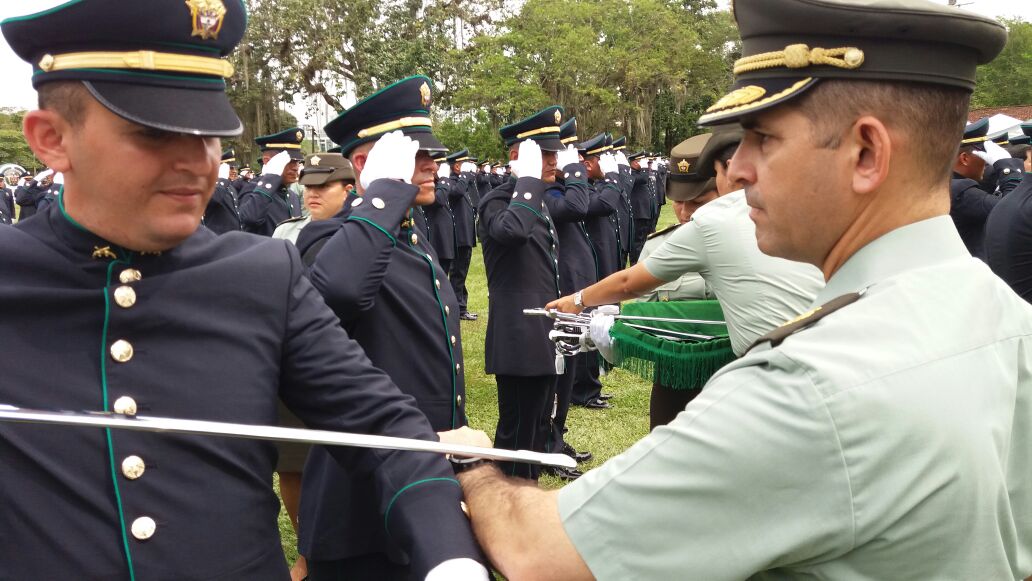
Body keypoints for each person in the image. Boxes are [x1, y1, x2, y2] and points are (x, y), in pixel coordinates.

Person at [450, 0, 1032, 579]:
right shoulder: (1008, 318)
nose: (740, 168)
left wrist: (475, 465)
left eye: (763, 137)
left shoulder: (810, 390)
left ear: (866, 153)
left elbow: (538, 551)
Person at [0, 2, 487, 579]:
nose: (196, 162)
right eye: (155, 133)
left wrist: (450, 559)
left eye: (211, 134)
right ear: (51, 139)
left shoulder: (260, 273)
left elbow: (382, 425)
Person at [291, 76, 487, 580]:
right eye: (415, 156)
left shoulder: (408, 236)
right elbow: (339, 291)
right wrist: (381, 196)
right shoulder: (329, 238)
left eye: (432, 155)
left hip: (424, 480)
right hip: (357, 499)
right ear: (365, 164)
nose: (432, 165)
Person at [550, 124, 824, 357]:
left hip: (777, 364)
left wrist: (577, 300)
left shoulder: (715, 219)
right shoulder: (791, 206)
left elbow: (628, 283)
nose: (686, 211)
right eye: (679, 202)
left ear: (729, 170)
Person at [479, 106, 564, 480]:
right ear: (518, 157)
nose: (554, 162)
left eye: (553, 154)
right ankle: (505, 506)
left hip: (541, 333)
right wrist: (527, 180)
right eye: (544, 155)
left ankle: (525, 498)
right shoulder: (498, 201)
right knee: (515, 435)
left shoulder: (535, 200)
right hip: (518, 338)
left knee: (535, 428)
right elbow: (512, 231)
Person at [635, 132, 719, 429]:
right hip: (675, 380)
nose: (684, 212)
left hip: (736, 378)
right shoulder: (658, 247)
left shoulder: (756, 244)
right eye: (678, 202)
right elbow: (640, 315)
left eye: (697, 201)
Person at [542, 117, 596, 479]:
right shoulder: (544, 193)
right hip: (559, 295)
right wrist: (575, 170)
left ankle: (557, 437)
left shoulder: (560, 188)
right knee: (555, 372)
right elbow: (578, 207)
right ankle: (547, 444)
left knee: (568, 368)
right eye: (560, 154)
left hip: (573, 294)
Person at [272, 152, 355, 244]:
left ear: (347, 191)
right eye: (308, 186)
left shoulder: (358, 233)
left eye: (322, 186)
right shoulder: (285, 231)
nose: (312, 194)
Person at [238, 127, 304, 235]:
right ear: (267, 161)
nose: (296, 167)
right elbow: (250, 218)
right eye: (289, 161)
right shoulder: (254, 190)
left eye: (297, 162)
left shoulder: (292, 196)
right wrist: (271, 178)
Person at [444, 149, 479, 320]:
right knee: (457, 273)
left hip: (465, 235)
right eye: (465, 165)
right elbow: (456, 194)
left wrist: (467, 177)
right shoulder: (451, 182)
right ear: (457, 166)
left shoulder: (461, 182)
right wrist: (465, 176)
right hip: (458, 236)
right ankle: (458, 308)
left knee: (461, 273)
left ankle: (461, 305)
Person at [427, 152, 456, 274]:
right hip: (436, 241)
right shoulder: (429, 185)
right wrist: (444, 180)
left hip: (444, 240)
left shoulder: (439, 184)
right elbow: (439, 200)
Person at [202, 147, 242, 234]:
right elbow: (213, 199)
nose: (234, 171)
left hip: (233, 237)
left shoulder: (230, 186)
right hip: (217, 237)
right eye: (230, 168)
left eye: (234, 168)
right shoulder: (209, 185)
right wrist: (221, 180)